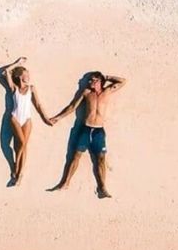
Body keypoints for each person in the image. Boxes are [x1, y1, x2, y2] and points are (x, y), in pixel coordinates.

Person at [46, 71, 126, 199]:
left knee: (100, 159)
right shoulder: (86, 93)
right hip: (85, 129)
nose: (90, 82)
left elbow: (123, 81)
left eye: (93, 80)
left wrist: (107, 77)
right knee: (75, 156)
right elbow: (72, 106)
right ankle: (65, 183)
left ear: (100, 81)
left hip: (99, 131)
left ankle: (102, 188)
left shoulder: (108, 91)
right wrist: (57, 118)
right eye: (89, 80)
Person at [0, 57, 48, 187]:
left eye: (28, 75)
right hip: (15, 118)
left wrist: (45, 118)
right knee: (20, 143)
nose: (28, 77)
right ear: (19, 76)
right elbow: (5, 72)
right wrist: (17, 63)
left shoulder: (31, 88)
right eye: (26, 75)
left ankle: (19, 173)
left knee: (23, 146)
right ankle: (15, 168)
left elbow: (38, 104)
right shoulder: (14, 88)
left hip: (27, 119)